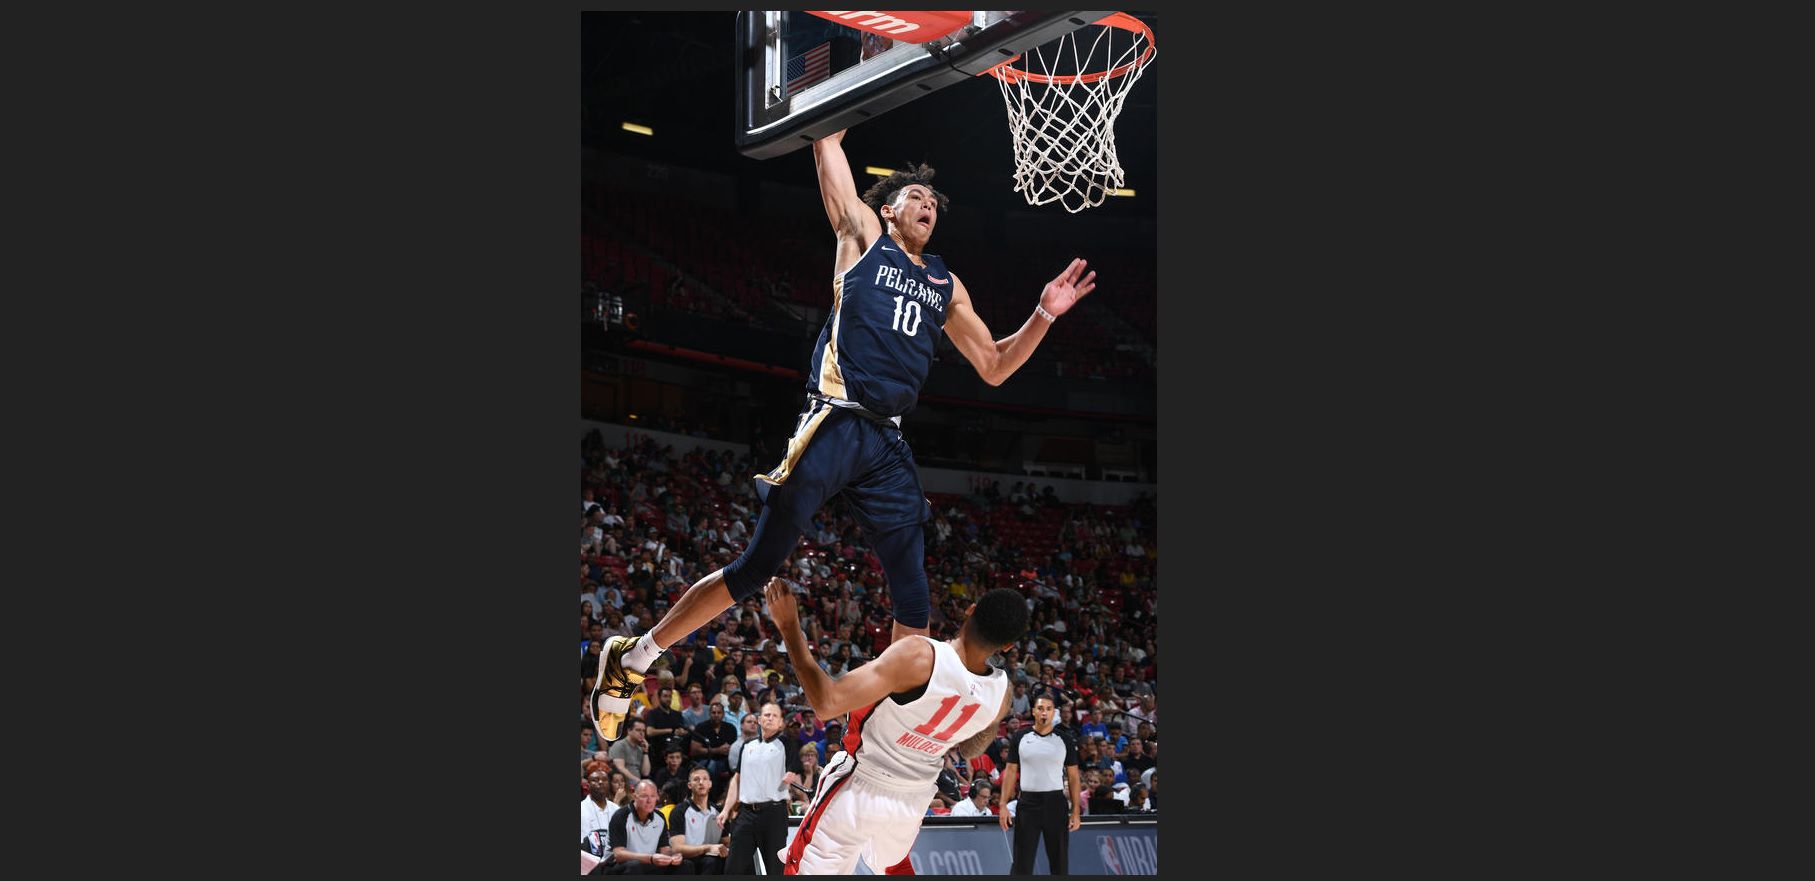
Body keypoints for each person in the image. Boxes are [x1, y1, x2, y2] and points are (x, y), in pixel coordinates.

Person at [589, 128, 1098, 745]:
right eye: (915, 195)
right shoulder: (862, 236)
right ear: (889, 208)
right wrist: (831, 115)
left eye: (933, 202)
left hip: (887, 444)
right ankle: (634, 654)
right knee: (758, 567)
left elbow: (993, 364)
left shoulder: (947, 284)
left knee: (914, 600)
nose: (927, 205)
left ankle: (883, 732)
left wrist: (1043, 314)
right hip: (836, 417)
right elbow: (826, 149)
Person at [766, 578, 1027, 875]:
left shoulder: (919, 656)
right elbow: (971, 748)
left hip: (861, 783)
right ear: (1008, 646)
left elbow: (826, 704)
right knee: (893, 867)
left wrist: (788, 626)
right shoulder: (1001, 694)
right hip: (913, 799)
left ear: (970, 609)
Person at [999, 694, 1081, 875]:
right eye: (1041, 708)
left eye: (1049, 709)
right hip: (1028, 803)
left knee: (1059, 860)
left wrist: (1075, 811)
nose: (1044, 713)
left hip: (1056, 803)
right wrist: (1003, 805)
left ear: (1054, 713)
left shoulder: (1065, 739)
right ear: (1034, 711)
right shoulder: (1020, 737)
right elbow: (1010, 772)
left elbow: (1074, 777)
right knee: (1022, 861)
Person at [720, 702, 802, 875]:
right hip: (746, 813)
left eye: (774, 715)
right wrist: (726, 809)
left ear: (781, 723)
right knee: (732, 868)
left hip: (773, 813)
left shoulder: (787, 744)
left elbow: (793, 769)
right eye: (766, 715)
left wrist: (790, 775)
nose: (770, 718)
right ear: (759, 720)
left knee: (775, 868)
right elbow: (737, 779)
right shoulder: (747, 746)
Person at [605, 779, 685, 874]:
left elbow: (664, 849)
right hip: (616, 866)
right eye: (644, 796)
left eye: (653, 796)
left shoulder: (660, 817)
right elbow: (619, 855)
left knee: (685, 865)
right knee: (634, 866)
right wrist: (650, 858)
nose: (649, 801)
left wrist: (674, 855)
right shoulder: (621, 816)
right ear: (634, 796)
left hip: (646, 863)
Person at [666, 767, 730, 875]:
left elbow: (726, 842)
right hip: (689, 859)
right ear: (689, 785)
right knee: (690, 865)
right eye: (696, 779)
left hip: (712, 860)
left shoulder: (719, 812)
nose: (701, 782)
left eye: (705, 779)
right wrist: (707, 848)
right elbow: (677, 848)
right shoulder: (679, 811)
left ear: (710, 784)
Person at [583, 768, 622, 860]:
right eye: (595, 780)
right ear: (587, 785)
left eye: (604, 780)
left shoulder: (617, 809)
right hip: (589, 860)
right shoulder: (582, 809)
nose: (600, 782)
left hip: (614, 860)